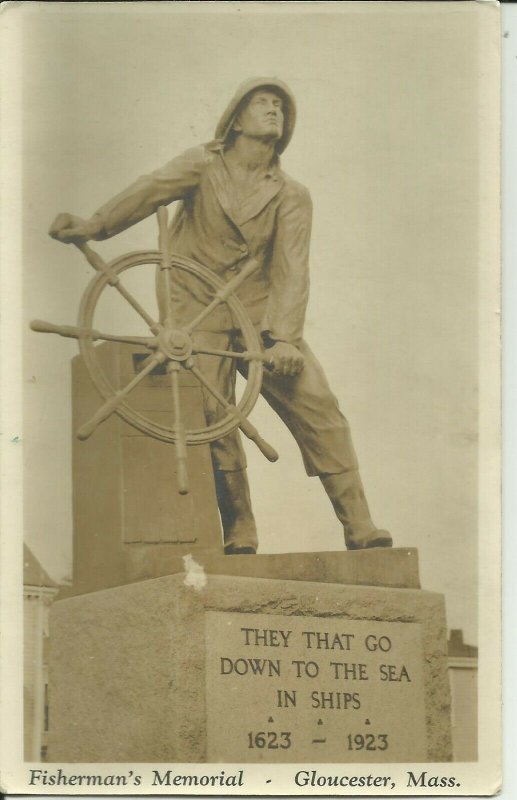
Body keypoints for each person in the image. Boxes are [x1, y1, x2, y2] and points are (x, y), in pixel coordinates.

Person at [49, 77, 392, 555]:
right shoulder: (202, 165)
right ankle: (240, 528)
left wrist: (285, 338)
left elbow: (292, 268)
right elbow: (148, 191)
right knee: (212, 420)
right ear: (236, 119)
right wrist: (93, 226)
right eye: (263, 103)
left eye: (280, 106)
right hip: (196, 308)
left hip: (258, 315)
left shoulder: (292, 194)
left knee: (319, 406)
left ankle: (359, 524)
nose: (274, 110)